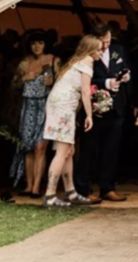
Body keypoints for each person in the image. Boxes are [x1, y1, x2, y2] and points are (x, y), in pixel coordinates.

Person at [40, 35, 102, 208]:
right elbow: (85, 91)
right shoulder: (87, 61)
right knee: (62, 151)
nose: (100, 52)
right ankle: (50, 195)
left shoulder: (76, 61)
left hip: (58, 104)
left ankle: (70, 191)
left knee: (68, 149)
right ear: (90, 50)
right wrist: (89, 115)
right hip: (63, 107)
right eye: (98, 49)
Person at [75, 22, 132, 203]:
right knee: (89, 150)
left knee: (111, 149)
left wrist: (126, 77)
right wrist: (106, 83)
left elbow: (128, 69)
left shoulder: (119, 50)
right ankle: (82, 188)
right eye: (103, 42)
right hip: (94, 108)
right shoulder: (87, 55)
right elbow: (85, 80)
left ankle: (107, 187)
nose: (106, 46)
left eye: (108, 41)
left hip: (116, 106)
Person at [10, 31, 59, 197]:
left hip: (45, 106)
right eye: (33, 43)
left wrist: (53, 82)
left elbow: (62, 84)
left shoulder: (53, 60)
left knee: (40, 147)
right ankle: (28, 185)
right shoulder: (25, 63)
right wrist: (25, 79)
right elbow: (13, 85)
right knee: (27, 147)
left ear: (46, 44)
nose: (37, 47)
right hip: (28, 107)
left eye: (40, 43)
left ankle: (37, 186)